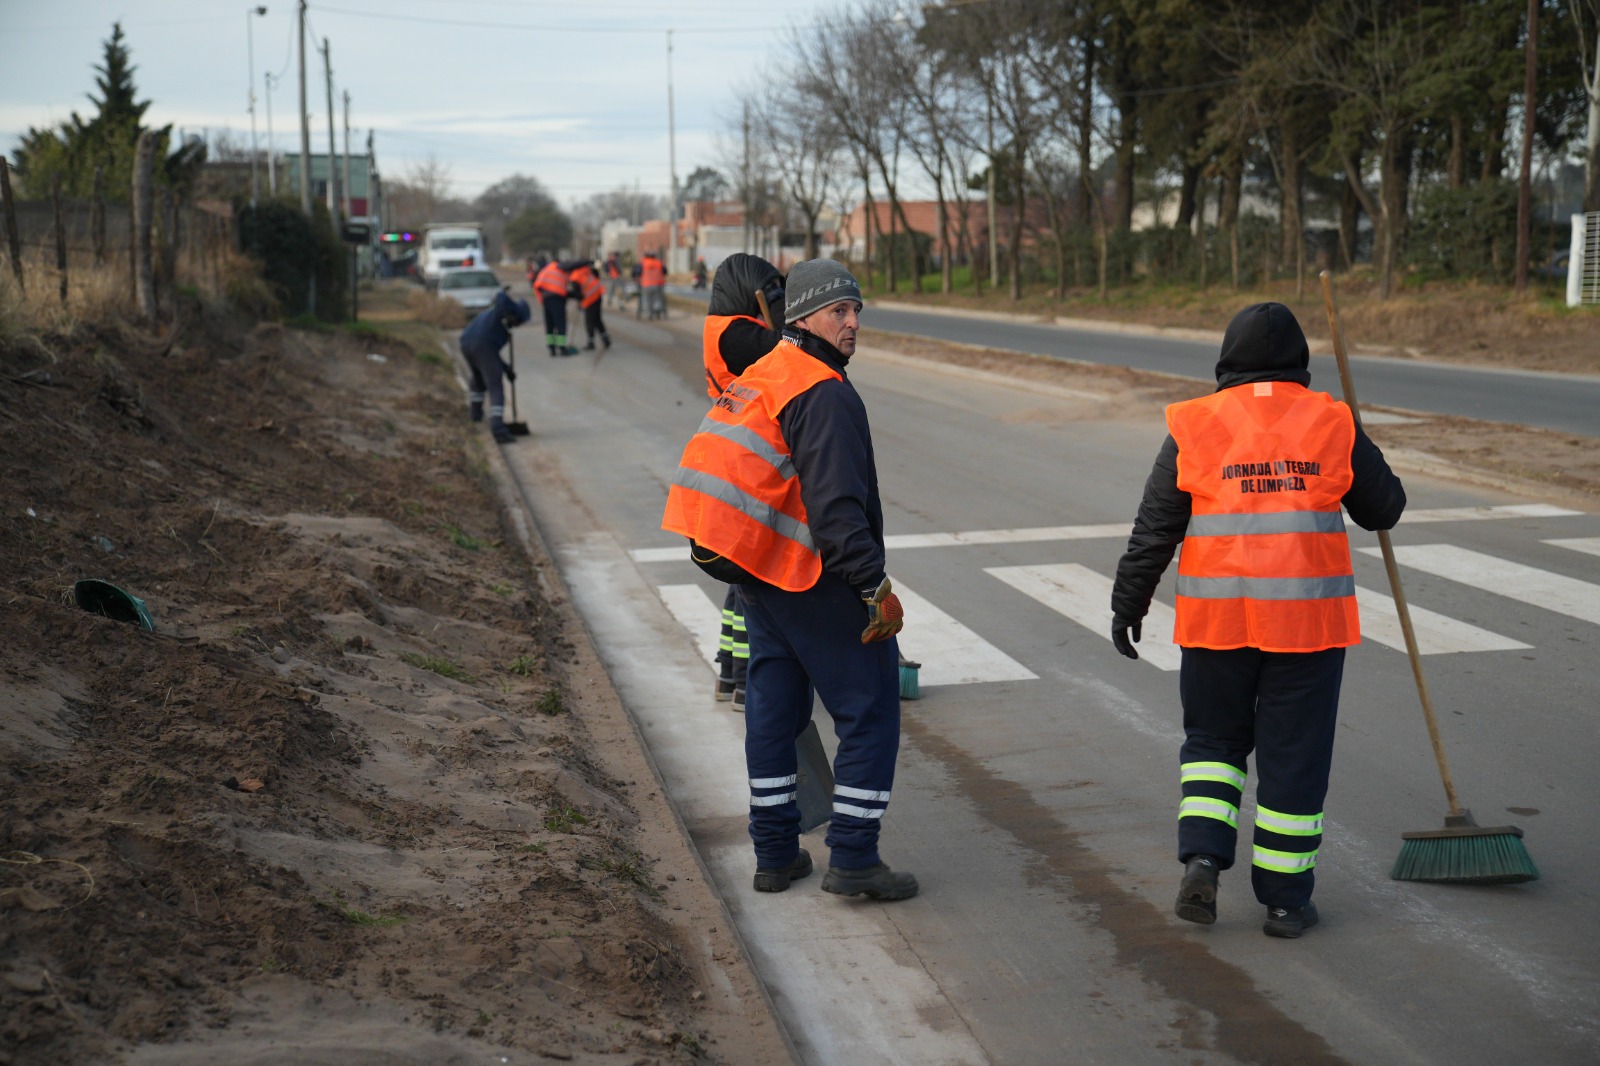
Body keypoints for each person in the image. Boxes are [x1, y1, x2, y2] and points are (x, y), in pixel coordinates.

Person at [1109, 301, 1406, 939]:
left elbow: (1155, 526)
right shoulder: (1331, 420)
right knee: (1292, 759)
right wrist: (1354, 434)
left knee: (1214, 750)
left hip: (1217, 628)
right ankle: (1285, 902)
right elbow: (1385, 509)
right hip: (1307, 632)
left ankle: (1203, 862)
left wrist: (1128, 600)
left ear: (1226, 362)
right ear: (1299, 363)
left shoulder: (1196, 423)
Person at [662, 259, 917, 902]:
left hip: (751, 567)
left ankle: (775, 854)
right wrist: (872, 587)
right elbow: (836, 507)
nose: (853, 322)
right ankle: (854, 857)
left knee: (773, 713)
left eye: (857, 309)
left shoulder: (766, 370)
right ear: (803, 317)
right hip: (803, 573)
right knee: (869, 709)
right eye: (840, 311)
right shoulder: (822, 388)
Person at [700, 253, 787, 711]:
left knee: (741, 576)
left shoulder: (726, 327)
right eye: (770, 290)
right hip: (746, 458)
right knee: (747, 577)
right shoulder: (736, 332)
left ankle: (729, 675)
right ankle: (739, 677)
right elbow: (786, 348)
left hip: (736, 451)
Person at [458, 289, 531, 444]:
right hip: (480, 344)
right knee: (495, 386)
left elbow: (491, 355)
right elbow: (501, 296)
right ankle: (498, 430)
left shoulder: (493, 318)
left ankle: (475, 414)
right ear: (516, 315)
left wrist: (507, 369)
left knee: (478, 379)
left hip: (466, 342)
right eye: (520, 321)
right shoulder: (499, 313)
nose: (518, 325)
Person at [532, 258, 578, 357]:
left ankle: (551, 349)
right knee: (560, 324)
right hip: (557, 301)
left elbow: (537, 286)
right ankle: (562, 348)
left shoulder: (545, 271)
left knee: (549, 325)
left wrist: (542, 300)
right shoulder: (560, 271)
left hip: (546, 301)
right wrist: (576, 295)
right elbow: (563, 290)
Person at [570, 260, 611, 351]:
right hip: (598, 295)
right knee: (597, 319)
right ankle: (606, 339)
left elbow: (578, 293)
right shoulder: (586, 270)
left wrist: (577, 300)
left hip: (590, 299)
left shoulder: (575, 276)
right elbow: (596, 276)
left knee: (589, 321)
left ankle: (591, 342)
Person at [639, 249, 666, 320]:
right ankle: (657, 310)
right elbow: (665, 271)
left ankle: (648, 313)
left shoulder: (643, 263)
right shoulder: (659, 263)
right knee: (658, 298)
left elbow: (637, 272)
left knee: (646, 299)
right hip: (658, 284)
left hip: (646, 284)